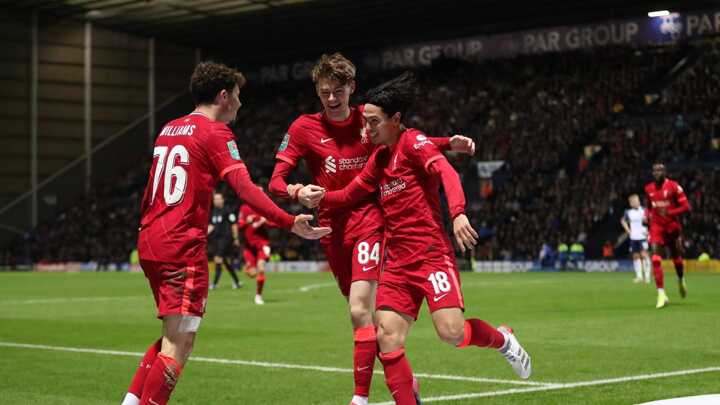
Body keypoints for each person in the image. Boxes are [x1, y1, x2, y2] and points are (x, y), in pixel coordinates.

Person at [268, 53, 475, 405]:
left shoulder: (368, 117)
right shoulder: (303, 128)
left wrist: (446, 144)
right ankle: (406, 382)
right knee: (370, 326)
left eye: (338, 91)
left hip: (370, 219)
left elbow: (405, 139)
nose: (331, 99)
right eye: (324, 92)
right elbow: (275, 181)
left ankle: (359, 398)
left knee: (359, 308)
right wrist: (297, 192)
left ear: (352, 87)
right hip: (332, 226)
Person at [120, 61, 331, 405]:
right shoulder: (215, 132)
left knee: (171, 334)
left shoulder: (170, 128)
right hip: (181, 246)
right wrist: (289, 221)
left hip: (151, 238)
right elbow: (246, 189)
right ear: (223, 96)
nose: (240, 103)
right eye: (237, 95)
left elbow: (150, 193)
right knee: (180, 343)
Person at [318, 72, 531, 404]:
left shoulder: (412, 142)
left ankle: (503, 340)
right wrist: (306, 198)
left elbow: (448, 171)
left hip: (431, 256)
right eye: (365, 122)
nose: (367, 129)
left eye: (373, 122)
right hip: (397, 265)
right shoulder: (379, 158)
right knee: (387, 336)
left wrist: (458, 213)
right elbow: (348, 194)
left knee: (452, 333)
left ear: (395, 119)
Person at [644, 163, 691, 309]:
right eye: (655, 170)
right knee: (655, 259)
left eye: (660, 170)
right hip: (656, 228)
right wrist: (647, 215)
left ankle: (680, 279)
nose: (657, 173)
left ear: (665, 172)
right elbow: (649, 207)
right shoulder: (648, 188)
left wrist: (670, 212)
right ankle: (661, 294)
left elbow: (686, 207)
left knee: (676, 259)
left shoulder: (674, 186)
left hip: (672, 228)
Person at [237, 191, 276, 305]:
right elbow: (239, 225)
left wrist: (266, 221)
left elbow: (276, 223)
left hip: (262, 244)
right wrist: (246, 222)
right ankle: (250, 270)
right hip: (249, 246)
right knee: (252, 273)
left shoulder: (265, 207)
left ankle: (258, 296)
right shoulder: (244, 208)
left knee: (261, 269)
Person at [207, 192, 243, 290]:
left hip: (226, 239)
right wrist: (203, 235)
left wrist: (236, 238)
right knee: (225, 262)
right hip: (216, 240)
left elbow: (234, 224)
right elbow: (212, 225)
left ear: (223, 200)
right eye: (215, 199)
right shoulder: (213, 212)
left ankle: (215, 284)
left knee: (217, 259)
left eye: (219, 199)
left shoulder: (227, 210)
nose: (217, 201)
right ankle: (237, 282)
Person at [620, 194, 651, 283]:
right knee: (635, 256)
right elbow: (623, 221)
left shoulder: (644, 210)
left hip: (642, 237)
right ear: (631, 204)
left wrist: (649, 230)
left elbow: (651, 220)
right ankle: (639, 276)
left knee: (644, 255)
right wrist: (628, 230)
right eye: (634, 201)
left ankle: (647, 277)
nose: (637, 202)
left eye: (637, 201)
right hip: (633, 237)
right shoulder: (628, 212)